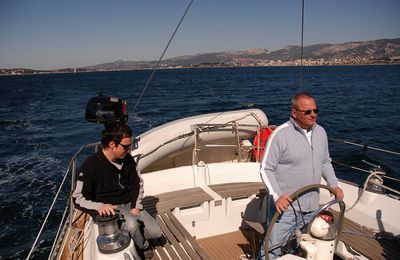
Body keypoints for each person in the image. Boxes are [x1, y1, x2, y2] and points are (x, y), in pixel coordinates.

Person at [259, 92, 344, 259]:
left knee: (303, 246)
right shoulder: (280, 134)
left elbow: (325, 162)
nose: (313, 114)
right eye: (307, 112)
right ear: (294, 112)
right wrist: (277, 196)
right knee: (271, 249)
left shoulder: (321, 132)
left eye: (315, 110)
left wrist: (334, 184)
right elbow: (265, 168)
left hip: (312, 207)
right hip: (286, 208)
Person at [72, 122, 162, 259]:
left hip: (129, 205)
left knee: (156, 233)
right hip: (110, 210)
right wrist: (99, 206)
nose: (130, 150)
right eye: (126, 146)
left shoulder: (128, 160)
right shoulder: (91, 165)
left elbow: (137, 184)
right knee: (132, 225)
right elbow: (77, 198)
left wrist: (135, 207)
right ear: (112, 145)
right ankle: (143, 247)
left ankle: (129, 232)